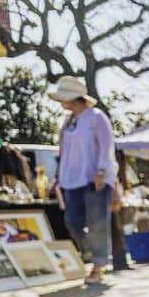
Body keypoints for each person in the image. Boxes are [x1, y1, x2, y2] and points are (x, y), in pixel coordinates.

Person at [48, 75, 117, 283]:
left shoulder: (96, 117)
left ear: (75, 98)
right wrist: (58, 176)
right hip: (70, 180)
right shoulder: (68, 122)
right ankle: (92, 255)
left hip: (93, 178)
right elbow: (64, 152)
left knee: (97, 223)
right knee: (72, 221)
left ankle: (98, 265)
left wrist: (102, 172)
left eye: (64, 97)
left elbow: (106, 146)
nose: (61, 102)